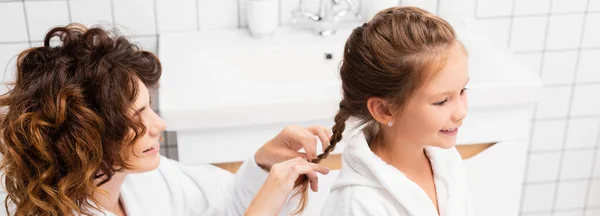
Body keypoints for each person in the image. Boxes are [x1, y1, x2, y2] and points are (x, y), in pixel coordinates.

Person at [0, 23, 330, 216]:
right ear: (88, 136)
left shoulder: (138, 177)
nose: (159, 125)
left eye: (150, 107)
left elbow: (223, 203)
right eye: (138, 116)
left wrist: (263, 164)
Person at [294, 6, 473, 215]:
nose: (461, 112)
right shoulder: (357, 204)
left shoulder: (446, 160)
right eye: (442, 101)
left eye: (463, 90)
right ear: (383, 110)